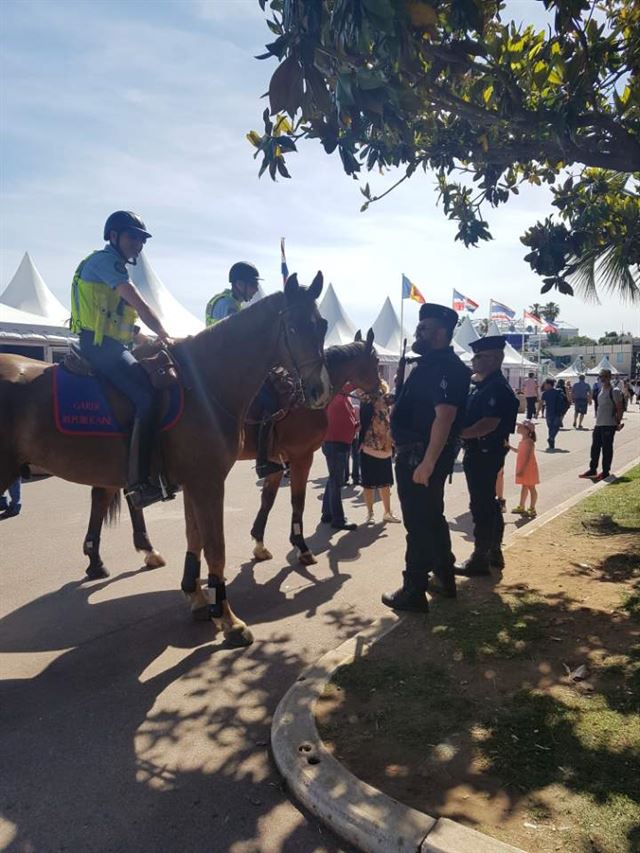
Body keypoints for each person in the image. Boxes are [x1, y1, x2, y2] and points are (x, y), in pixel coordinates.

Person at [70, 211, 173, 509]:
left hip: (111, 344)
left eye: (141, 240)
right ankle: (140, 482)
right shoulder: (108, 262)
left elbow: (118, 318)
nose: (138, 244)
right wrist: (164, 332)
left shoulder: (109, 268)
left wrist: (145, 339)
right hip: (102, 348)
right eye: (132, 237)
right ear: (113, 236)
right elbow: (138, 304)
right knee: (147, 397)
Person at [382, 304, 470, 611]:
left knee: (418, 523)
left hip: (419, 459)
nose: (418, 332)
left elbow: (444, 416)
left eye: (424, 327)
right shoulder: (428, 364)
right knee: (431, 518)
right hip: (415, 455)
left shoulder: (446, 367)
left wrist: (429, 462)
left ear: (441, 333)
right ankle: (444, 577)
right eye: (418, 327)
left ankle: (414, 590)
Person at [455, 336, 519, 577]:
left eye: (479, 356)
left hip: (484, 451)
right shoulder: (482, 385)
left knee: (481, 504)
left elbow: (489, 424)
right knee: (489, 502)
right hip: (480, 451)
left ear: (495, 359)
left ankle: (480, 557)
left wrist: (460, 433)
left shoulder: (496, 388)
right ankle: (493, 551)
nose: (474, 360)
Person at [358, 380, 401, 524]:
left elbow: (395, 399)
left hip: (385, 447)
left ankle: (387, 512)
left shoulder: (386, 400)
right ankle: (370, 514)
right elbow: (363, 421)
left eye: (381, 392)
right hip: (369, 447)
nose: (379, 395)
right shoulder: (366, 402)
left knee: (385, 483)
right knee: (368, 483)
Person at [321, 383, 359, 531]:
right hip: (335, 443)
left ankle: (327, 513)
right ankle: (338, 519)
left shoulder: (342, 396)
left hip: (338, 442)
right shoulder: (338, 393)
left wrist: (355, 425)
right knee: (337, 481)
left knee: (333, 479)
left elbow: (347, 418)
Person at [579, 368, 624, 481]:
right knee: (595, 447)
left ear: (610, 377)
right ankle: (592, 469)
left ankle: (605, 472)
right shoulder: (601, 389)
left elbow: (619, 407)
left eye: (605, 376)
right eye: (601, 376)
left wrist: (617, 422)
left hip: (609, 424)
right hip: (599, 424)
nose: (602, 378)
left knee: (607, 449)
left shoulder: (614, 391)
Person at [511, 420, 539, 518]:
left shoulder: (529, 442)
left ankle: (532, 508)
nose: (518, 428)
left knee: (531, 487)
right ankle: (522, 505)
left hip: (528, 468)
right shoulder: (523, 441)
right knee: (524, 486)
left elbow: (527, 458)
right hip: (524, 467)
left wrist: (522, 470)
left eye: (521, 427)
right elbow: (519, 451)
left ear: (527, 430)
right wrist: (509, 447)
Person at [539, 378, 564, 451]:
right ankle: (551, 439)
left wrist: (537, 412)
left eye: (545, 384)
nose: (545, 386)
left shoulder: (545, 393)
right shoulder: (558, 391)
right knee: (555, 427)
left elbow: (541, 403)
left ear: (549, 384)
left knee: (550, 428)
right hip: (557, 412)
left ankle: (551, 441)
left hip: (549, 413)